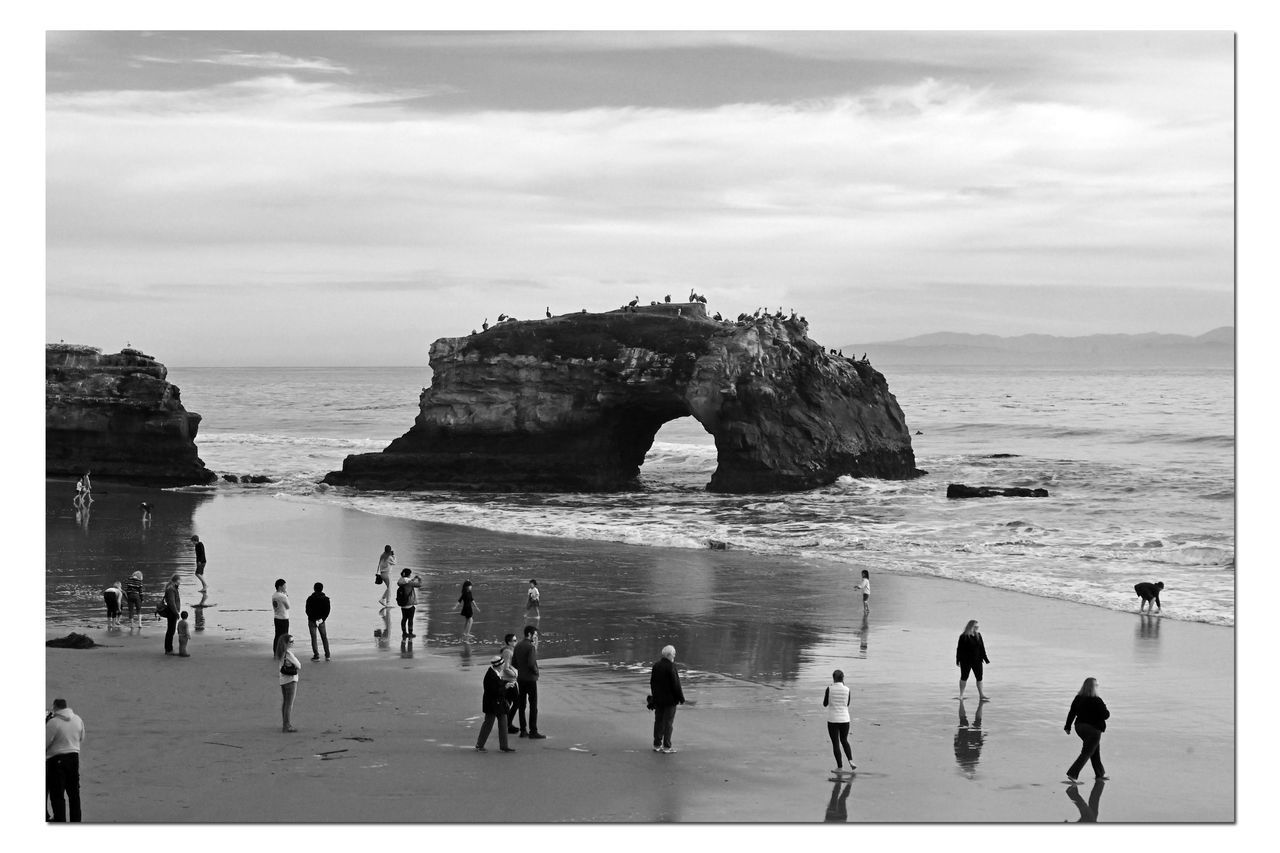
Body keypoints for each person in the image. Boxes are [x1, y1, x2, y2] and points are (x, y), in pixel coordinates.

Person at [1064, 677, 1110, 783]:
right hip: (1093, 730)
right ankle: (1073, 773)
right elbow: (1106, 715)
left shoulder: (1078, 698)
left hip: (1080, 728)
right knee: (1087, 752)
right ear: (1093, 687)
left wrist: (1067, 726)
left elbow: (1072, 713)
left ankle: (1100, 773)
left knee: (1094, 750)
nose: (1098, 687)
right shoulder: (1097, 700)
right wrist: (1105, 707)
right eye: (1097, 685)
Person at [46, 698, 85, 822]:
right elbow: (82, 737)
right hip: (74, 758)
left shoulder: (54, 722)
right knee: (74, 794)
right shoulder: (78, 719)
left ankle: (60, 820)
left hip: (56, 760)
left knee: (57, 794)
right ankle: (76, 821)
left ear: (55, 707)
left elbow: (44, 742)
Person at [475, 654, 515, 752]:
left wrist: (505, 684)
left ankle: (504, 746)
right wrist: (506, 686)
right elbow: (494, 690)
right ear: (498, 665)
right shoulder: (491, 675)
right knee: (488, 724)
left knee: (503, 723)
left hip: (497, 703)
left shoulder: (493, 673)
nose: (503, 666)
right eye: (502, 664)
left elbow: (497, 686)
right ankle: (480, 745)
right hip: (492, 704)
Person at [649, 644, 685, 753]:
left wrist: (654, 696)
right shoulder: (671, 667)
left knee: (659, 721)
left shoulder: (656, 666)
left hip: (658, 699)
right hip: (670, 701)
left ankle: (657, 744)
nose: (674, 656)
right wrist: (681, 698)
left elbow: (652, 683)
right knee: (668, 723)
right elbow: (676, 685)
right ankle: (667, 746)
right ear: (669, 655)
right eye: (674, 654)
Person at [513, 625, 545, 738]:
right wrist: (536, 671)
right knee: (533, 705)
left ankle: (523, 730)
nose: (536, 637)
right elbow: (531, 664)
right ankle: (533, 731)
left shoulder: (518, 646)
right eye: (535, 635)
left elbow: (514, 663)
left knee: (522, 705)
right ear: (530, 634)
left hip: (520, 679)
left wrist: (521, 670)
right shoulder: (530, 647)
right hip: (530, 679)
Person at [822, 669, 855, 773]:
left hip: (833, 719)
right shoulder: (847, 689)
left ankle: (840, 767)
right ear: (843, 678)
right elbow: (847, 704)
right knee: (844, 740)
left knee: (836, 743)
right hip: (845, 719)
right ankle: (851, 761)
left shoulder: (829, 688)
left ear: (833, 678)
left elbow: (825, 703)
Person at [956, 619, 990, 701]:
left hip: (977, 660)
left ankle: (981, 695)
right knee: (964, 677)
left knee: (979, 678)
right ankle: (961, 695)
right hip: (965, 661)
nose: (977, 628)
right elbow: (959, 649)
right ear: (970, 626)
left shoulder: (978, 635)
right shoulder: (963, 636)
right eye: (975, 626)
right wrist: (958, 660)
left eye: (978, 626)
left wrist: (985, 658)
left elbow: (982, 648)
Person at [275, 634, 301, 732]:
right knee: (289, 704)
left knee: (285, 703)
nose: (293, 643)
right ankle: (287, 725)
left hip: (283, 680)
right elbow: (299, 665)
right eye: (291, 642)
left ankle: (285, 723)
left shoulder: (280, 652)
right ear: (286, 643)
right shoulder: (288, 654)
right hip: (290, 680)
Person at [305, 582, 332, 661]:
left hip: (312, 621)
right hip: (321, 621)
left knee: (314, 638)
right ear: (322, 589)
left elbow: (307, 610)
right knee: (324, 637)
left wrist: (313, 619)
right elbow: (327, 611)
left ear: (314, 588)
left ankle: (316, 655)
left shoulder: (310, 598)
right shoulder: (326, 599)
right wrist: (322, 619)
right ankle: (327, 655)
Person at [499, 644, 520, 733]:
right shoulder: (507, 652)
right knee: (516, 702)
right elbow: (506, 667)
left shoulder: (508, 651)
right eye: (514, 640)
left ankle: (506, 724)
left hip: (507, 680)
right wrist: (515, 675)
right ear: (509, 642)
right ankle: (507, 724)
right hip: (509, 681)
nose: (516, 642)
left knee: (509, 702)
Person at [396, 568, 422, 638]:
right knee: (410, 619)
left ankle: (404, 633)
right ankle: (410, 633)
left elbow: (408, 582)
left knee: (404, 618)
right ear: (409, 574)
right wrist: (419, 579)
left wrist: (413, 579)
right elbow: (419, 585)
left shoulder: (401, 580)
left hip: (403, 604)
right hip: (409, 604)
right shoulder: (409, 583)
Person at [162, 574, 181, 655]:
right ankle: (168, 649)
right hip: (172, 612)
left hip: (172, 612)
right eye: (180, 580)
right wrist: (176, 613)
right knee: (171, 631)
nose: (180, 582)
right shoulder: (171, 589)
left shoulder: (172, 588)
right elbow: (171, 603)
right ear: (176, 580)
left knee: (171, 630)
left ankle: (169, 648)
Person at [272, 579, 290, 648]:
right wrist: (286, 596)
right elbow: (288, 606)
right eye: (284, 586)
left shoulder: (274, 595)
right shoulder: (283, 596)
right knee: (285, 636)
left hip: (276, 617)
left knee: (277, 635)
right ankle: (283, 652)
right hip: (283, 618)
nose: (285, 587)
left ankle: (276, 651)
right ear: (280, 587)